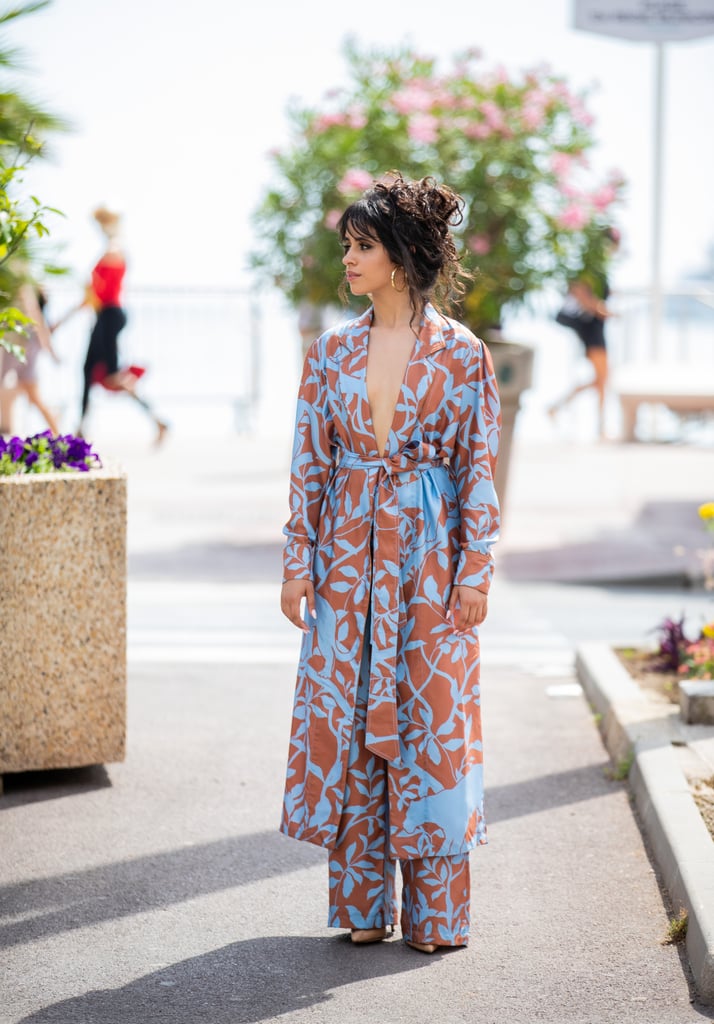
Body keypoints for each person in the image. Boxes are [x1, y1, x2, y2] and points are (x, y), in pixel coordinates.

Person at [279, 172, 501, 954]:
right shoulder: (330, 353)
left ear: (401, 258)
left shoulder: (463, 355)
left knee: (431, 724)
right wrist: (297, 565)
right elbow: (310, 464)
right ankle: (364, 906)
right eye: (347, 245)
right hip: (345, 560)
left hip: (431, 562)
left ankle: (437, 918)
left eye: (362, 245)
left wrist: (475, 573)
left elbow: (479, 470)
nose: (349, 258)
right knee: (348, 726)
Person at [53, 206, 168, 444]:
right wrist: (61, 322)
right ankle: (82, 429)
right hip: (104, 317)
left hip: (111, 316)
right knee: (89, 371)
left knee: (112, 376)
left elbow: (102, 289)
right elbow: (90, 298)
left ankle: (157, 420)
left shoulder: (114, 250)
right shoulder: (109, 251)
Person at [548, 226, 621, 438]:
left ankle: (560, 408)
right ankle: (599, 427)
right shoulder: (593, 268)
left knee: (602, 378)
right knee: (602, 377)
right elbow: (581, 294)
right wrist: (603, 311)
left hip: (594, 327)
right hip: (592, 327)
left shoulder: (596, 267)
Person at [0, 282, 61, 436]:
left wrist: (49, 348)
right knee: (32, 394)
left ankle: (7, 429)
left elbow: (34, 314)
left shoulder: (23, 286)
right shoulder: (24, 286)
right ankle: (58, 434)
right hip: (28, 342)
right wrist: (49, 349)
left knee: (24, 391)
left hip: (20, 342)